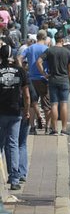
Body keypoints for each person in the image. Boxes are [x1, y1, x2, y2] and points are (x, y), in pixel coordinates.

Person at [0, 44, 30, 191]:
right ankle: (14, 179)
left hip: (1, 112)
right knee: (13, 144)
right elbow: (26, 94)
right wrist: (26, 109)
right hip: (15, 111)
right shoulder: (20, 71)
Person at [36, 31, 70, 136]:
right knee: (64, 104)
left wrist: (44, 74)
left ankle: (54, 129)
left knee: (54, 104)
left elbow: (38, 61)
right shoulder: (67, 52)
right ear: (62, 40)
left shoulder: (50, 51)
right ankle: (64, 129)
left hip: (53, 79)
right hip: (64, 80)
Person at [19, 32, 49, 133]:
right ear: (44, 38)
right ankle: (47, 127)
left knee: (32, 104)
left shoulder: (30, 48)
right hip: (43, 78)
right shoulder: (46, 49)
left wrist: (22, 69)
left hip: (31, 78)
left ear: (37, 38)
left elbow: (19, 58)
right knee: (46, 105)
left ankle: (32, 127)